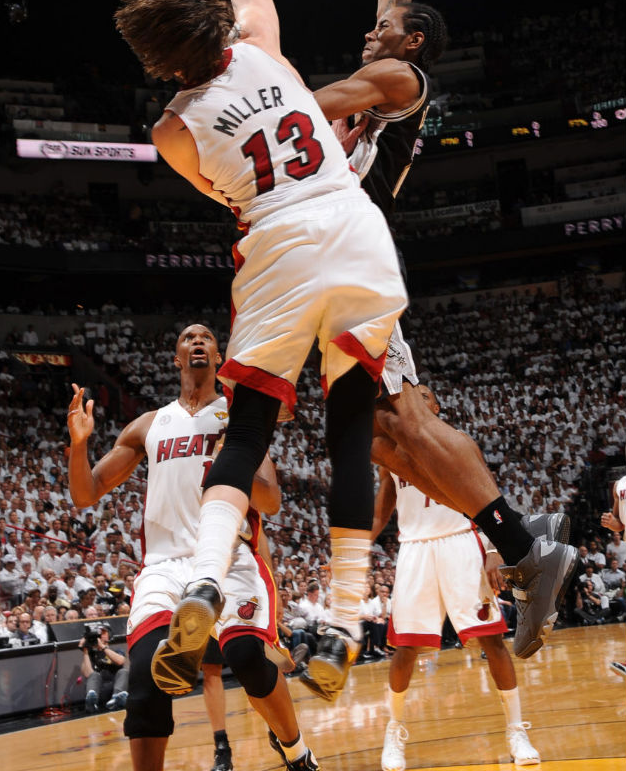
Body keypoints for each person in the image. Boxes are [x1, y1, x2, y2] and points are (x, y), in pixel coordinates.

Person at [114, 0, 407, 706]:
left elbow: (224, 191)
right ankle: (347, 619)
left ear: (161, 58)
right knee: (351, 427)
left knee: (246, 436)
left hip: (276, 242)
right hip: (353, 228)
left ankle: (203, 582)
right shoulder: (260, 41)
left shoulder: (170, 128)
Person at [310, 0, 577, 660]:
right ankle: (528, 535)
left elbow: (313, 99)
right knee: (380, 435)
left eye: (386, 28)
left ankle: (529, 549)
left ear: (415, 42)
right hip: (333, 269)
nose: (373, 28)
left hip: (353, 262)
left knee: (406, 423)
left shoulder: (399, 84)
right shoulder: (388, 59)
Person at [67, 323, 320, 771]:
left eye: (206, 338)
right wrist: (79, 445)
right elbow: (86, 493)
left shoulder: (240, 420)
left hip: (230, 559)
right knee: (144, 679)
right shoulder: (150, 424)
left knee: (245, 656)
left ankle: (296, 752)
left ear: (219, 358)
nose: (198, 341)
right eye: (188, 338)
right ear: (177, 358)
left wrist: (230, 459)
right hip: (164, 565)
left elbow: (272, 502)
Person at [372, 384, 541, 771]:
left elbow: (488, 498)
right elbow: (382, 508)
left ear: (435, 405)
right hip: (414, 547)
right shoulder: (390, 452)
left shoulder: (459, 442)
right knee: (405, 649)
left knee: (492, 641)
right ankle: (394, 732)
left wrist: (495, 550)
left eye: (424, 394)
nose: (415, 398)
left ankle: (516, 729)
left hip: (461, 542)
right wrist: (356, 544)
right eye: (411, 393)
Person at [80, 623, 129, 713]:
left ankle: (116, 699)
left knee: (124, 672)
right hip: (99, 690)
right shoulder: (91, 654)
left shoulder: (117, 651)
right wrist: (85, 651)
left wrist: (102, 647)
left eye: (102, 632)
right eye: (98, 633)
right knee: (94, 675)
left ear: (109, 635)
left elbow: (120, 661)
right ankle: (91, 702)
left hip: (115, 688)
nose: (100, 635)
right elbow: (87, 674)